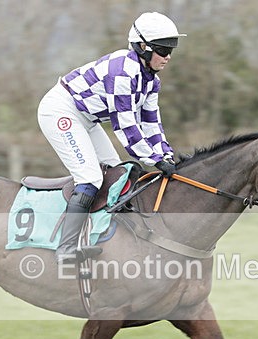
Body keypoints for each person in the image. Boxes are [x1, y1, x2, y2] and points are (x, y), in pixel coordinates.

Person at [37, 11, 185, 264]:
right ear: (143, 47)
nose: (168, 56)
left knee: (117, 173)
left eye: (172, 49)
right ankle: (66, 248)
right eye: (163, 49)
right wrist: (154, 159)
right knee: (91, 178)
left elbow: (151, 123)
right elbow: (126, 125)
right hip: (61, 111)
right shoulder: (122, 72)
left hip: (88, 119)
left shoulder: (151, 80)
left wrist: (166, 154)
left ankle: (101, 235)